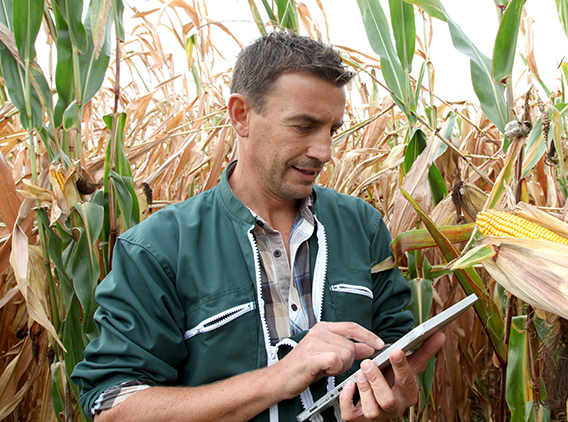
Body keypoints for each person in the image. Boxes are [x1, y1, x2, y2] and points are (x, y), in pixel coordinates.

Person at [71, 31, 445, 422]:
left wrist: (390, 401)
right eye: (303, 127)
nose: (324, 152)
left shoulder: (362, 225)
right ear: (241, 115)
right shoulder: (158, 248)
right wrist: (280, 377)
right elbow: (114, 408)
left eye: (331, 130)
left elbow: (394, 353)